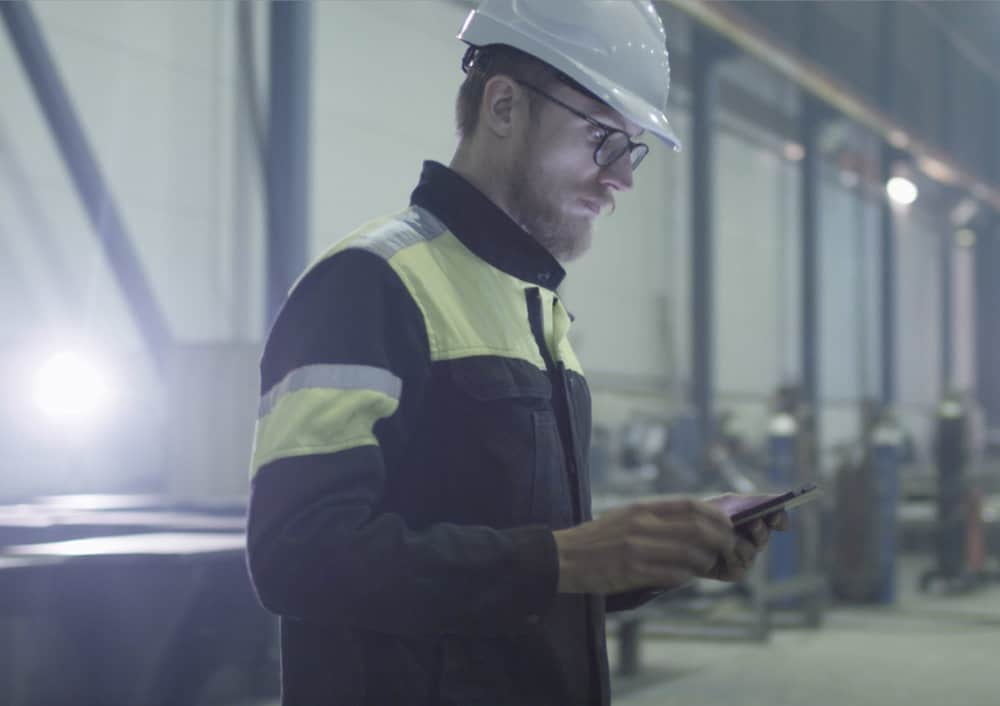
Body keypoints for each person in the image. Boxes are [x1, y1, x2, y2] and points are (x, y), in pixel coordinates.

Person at [246, 1, 787, 704]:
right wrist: (567, 556)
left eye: (632, 149)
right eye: (603, 139)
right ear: (503, 106)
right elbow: (299, 555)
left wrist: (647, 559)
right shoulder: (368, 285)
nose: (622, 178)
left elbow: (526, 582)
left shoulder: (539, 313)